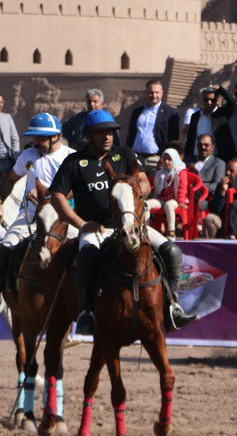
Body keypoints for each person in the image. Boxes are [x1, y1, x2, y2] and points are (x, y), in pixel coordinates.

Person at [48, 109, 196, 334]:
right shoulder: (74, 161)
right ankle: (86, 312)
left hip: (133, 227)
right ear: (89, 135)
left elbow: (145, 181)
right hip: (97, 228)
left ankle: (172, 306)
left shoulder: (124, 154)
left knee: (173, 252)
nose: (107, 136)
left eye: (110, 131)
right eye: (100, 132)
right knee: (86, 258)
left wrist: (138, 188)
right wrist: (81, 224)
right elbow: (57, 196)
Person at [0, 112, 75, 311]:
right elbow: (10, 179)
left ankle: (87, 305)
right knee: (1, 253)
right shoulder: (28, 155)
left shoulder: (70, 157)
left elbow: (79, 188)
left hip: (64, 220)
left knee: (88, 253)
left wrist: (48, 196)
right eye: (34, 137)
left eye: (41, 137)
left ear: (55, 136)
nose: (36, 141)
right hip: (30, 217)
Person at [146, 148, 208, 238]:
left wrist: (181, 201)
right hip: (162, 199)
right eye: (165, 159)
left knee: (169, 205)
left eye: (169, 159)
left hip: (175, 200)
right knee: (146, 205)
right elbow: (154, 185)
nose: (167, 162)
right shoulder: (160, 173)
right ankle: (146, 230)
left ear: (175, 159)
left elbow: (182, 188)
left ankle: (171, 232)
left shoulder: (180, 171)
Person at [126, 79, 180, 176]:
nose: (154, 95)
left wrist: (165, 158)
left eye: (157, 92)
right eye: (151, 92)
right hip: (136, 158)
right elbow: (131, 134)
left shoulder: (171, 113)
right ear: (146, 93)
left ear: (162, 93)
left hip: (156, 159)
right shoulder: (137, 112)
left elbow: (174, 139)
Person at [184, 88, 225, 162]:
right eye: (206, 99)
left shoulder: (221, 116)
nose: (209, 102)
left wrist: (220, 89)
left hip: (214, 159)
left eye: (212, 100)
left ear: (217, 101)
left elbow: (231, 103)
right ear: (202, 100)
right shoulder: (195, 116)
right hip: (195, 158)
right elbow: (190, 139)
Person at [191, 134, 224, 200]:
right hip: (185, 195)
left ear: (212, 147)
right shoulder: (189, 161)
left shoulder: (219, 163)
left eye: (206, 145)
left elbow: (216, 185)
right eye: (200, 145)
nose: (203, 147)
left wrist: (196, 191)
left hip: (205, 197)